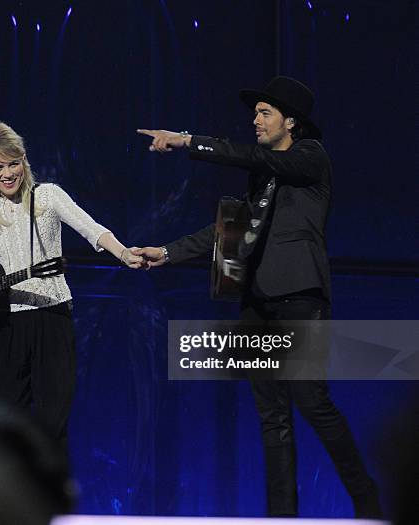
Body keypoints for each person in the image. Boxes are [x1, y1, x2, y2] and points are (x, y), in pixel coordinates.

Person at [134, 76, 382, 518]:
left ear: (292, 121)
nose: (256, 119)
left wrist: (187, 140)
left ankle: (366, 496)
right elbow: (227, 232)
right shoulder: (261, 175)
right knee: (271, 414)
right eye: (256, 113)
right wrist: (168, 252)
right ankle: (280, 515)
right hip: (256, 301)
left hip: (299, 297)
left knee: (311, 400)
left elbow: (250, 156)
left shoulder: (310, 158)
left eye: (265, 112)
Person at [0, 122, 143, 449]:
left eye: (13, 164)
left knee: (52, 423)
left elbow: (92, 229)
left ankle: (47, 493)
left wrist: (123, 253)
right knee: (7, 424)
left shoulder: (48, 196)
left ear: (24, 161)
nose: (8, 173)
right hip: (5, 326)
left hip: (52, 318)